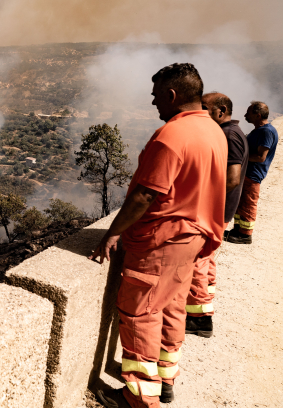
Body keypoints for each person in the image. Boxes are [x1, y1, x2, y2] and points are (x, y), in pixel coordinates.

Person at [91, 63, 227, 408]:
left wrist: (112, 233)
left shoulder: (170, 136)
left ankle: (138, 397)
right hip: (193, 239)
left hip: (160, 241)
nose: (153, 104)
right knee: (171, 306)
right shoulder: (213, 130)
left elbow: (145, 195)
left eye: (156, 97)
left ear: (171, 95)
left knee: (140, 312)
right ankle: (165, 379)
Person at [184, 93, 249, 339]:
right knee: (208, 259)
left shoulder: (228, 135)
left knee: (198, 261)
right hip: (220, 213)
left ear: (220, 111)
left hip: (214, 212)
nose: (200, 113)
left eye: (204, 108)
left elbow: (231, 179)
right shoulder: (233, 133)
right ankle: (205, 303)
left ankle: (200, 319)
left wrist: (201, 200)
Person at [226, 101, 278, 244]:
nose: (245, 115)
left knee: (248, 204)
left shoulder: (266, 132)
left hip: (253, 174)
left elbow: (261, 157)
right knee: (240, 202)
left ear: (258, 115)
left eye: (248, 113)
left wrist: (239, 158)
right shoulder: (259, 130)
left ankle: (245, 235)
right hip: (247, 172)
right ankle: (237, 230)